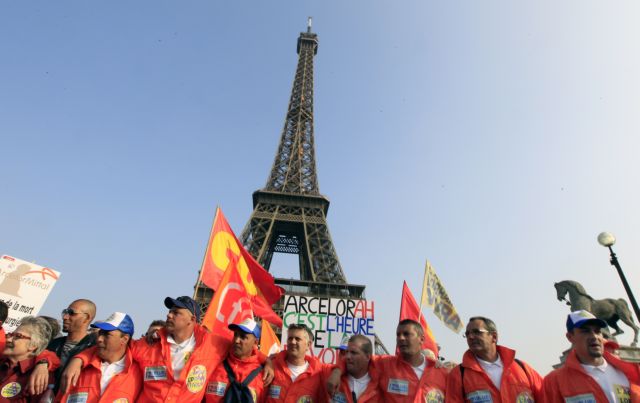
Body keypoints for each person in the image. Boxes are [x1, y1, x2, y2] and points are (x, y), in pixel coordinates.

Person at [64, 296, 268, 402]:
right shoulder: (148, 344)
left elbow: (245, 353)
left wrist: (268, 362)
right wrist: (79, 358)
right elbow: (114, 348)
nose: (169, 315)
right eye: (169, 311)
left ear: (192, 320)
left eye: (176, 312)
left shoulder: (214, 344)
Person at [543, 310, 640, 402]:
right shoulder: (554, 381)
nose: (594, 336)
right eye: (585, 331)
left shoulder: (630, 372)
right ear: (570, 337)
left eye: (597, 331)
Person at [445, 316, 543, 402]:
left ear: (494, 337)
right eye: (467, 334)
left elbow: (545, 397)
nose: (470, 337)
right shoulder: (458, 375)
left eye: (477, 332)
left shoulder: (523, 369)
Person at [58, 312, 142, 402]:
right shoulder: (79, 367)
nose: (99, 339)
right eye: (100, 333)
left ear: (124, 339)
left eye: (107, 334)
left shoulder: (138, 373)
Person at [374, 319, 449, 402]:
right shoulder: (384, 364)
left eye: (406, 334)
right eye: (398, 335)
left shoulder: (442, 372)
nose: (401, 338)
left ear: (422, 339)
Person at [204, 318, 266, 402]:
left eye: (243, 337)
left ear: (255, 342)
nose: (236, 340)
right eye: (235, 335)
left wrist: (268, 361)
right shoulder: (217, 360)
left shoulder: (264, 374)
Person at [0, 316, 57, 402]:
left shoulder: (39, 377)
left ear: (33, 345)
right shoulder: (3, 361)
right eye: (11, 334)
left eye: (18, 336)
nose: (8, 339)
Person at [44, 299, 97, 391]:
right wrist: (41, 363)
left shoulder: (94, 349)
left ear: (87, 318)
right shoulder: (53, 344)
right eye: (65, 312)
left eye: (72, 313)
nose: (65, 317)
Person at [265, 323, 324, 402]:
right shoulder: (273, 365)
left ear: (308, 345)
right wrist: (267, 361)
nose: (292, 342)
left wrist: (337, 372)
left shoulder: (318, 372)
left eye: (297, 339)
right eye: (290, 338)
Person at [323, 334, 380, 403]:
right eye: (346, 352)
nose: (347, 356)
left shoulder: (381, 384)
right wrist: (336, 372)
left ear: (367, 357)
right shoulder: (330, 375)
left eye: (353, 353)